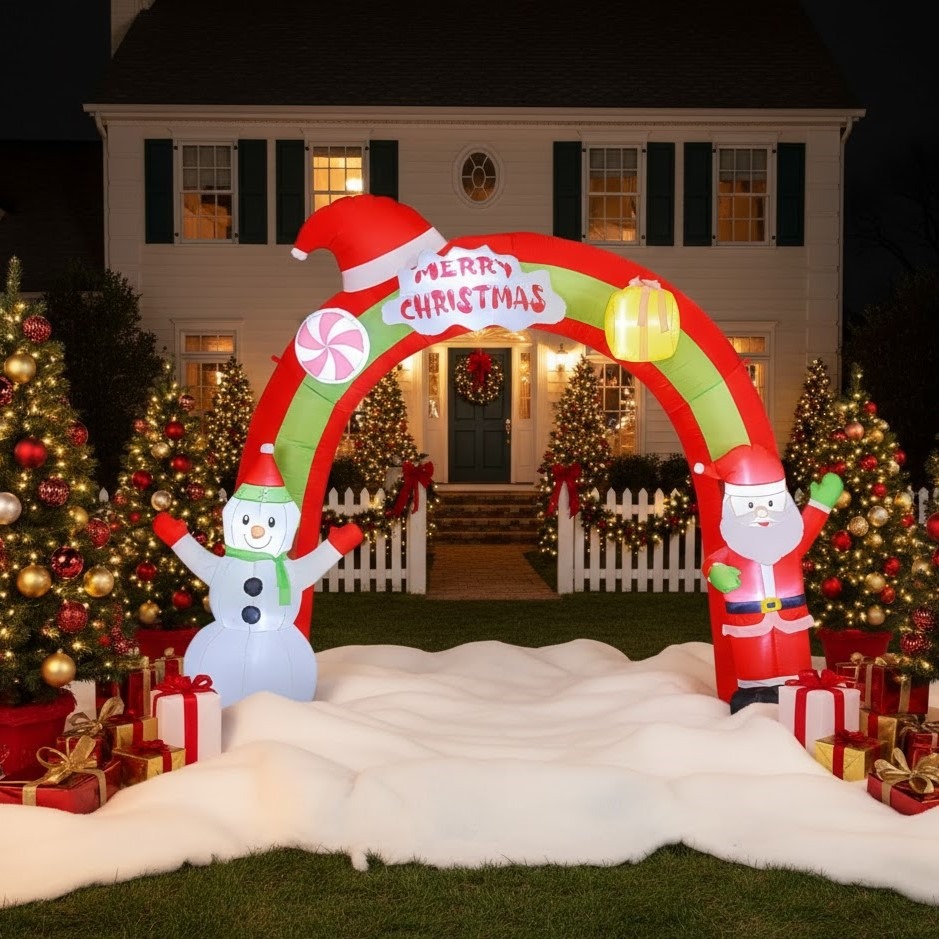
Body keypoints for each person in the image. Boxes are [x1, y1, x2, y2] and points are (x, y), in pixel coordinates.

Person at [694, 444, 843, 713]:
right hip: (748, 621)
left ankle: (795, 692)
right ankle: (754, 697)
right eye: (750, 505)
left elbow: (805, 529)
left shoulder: (791, 540)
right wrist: (715, 571)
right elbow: (712, 561)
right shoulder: (734, 548)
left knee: (794, 668)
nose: (762, 512)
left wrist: (821, 503)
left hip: (791, 620)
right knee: (754, 668)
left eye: (771, 503)